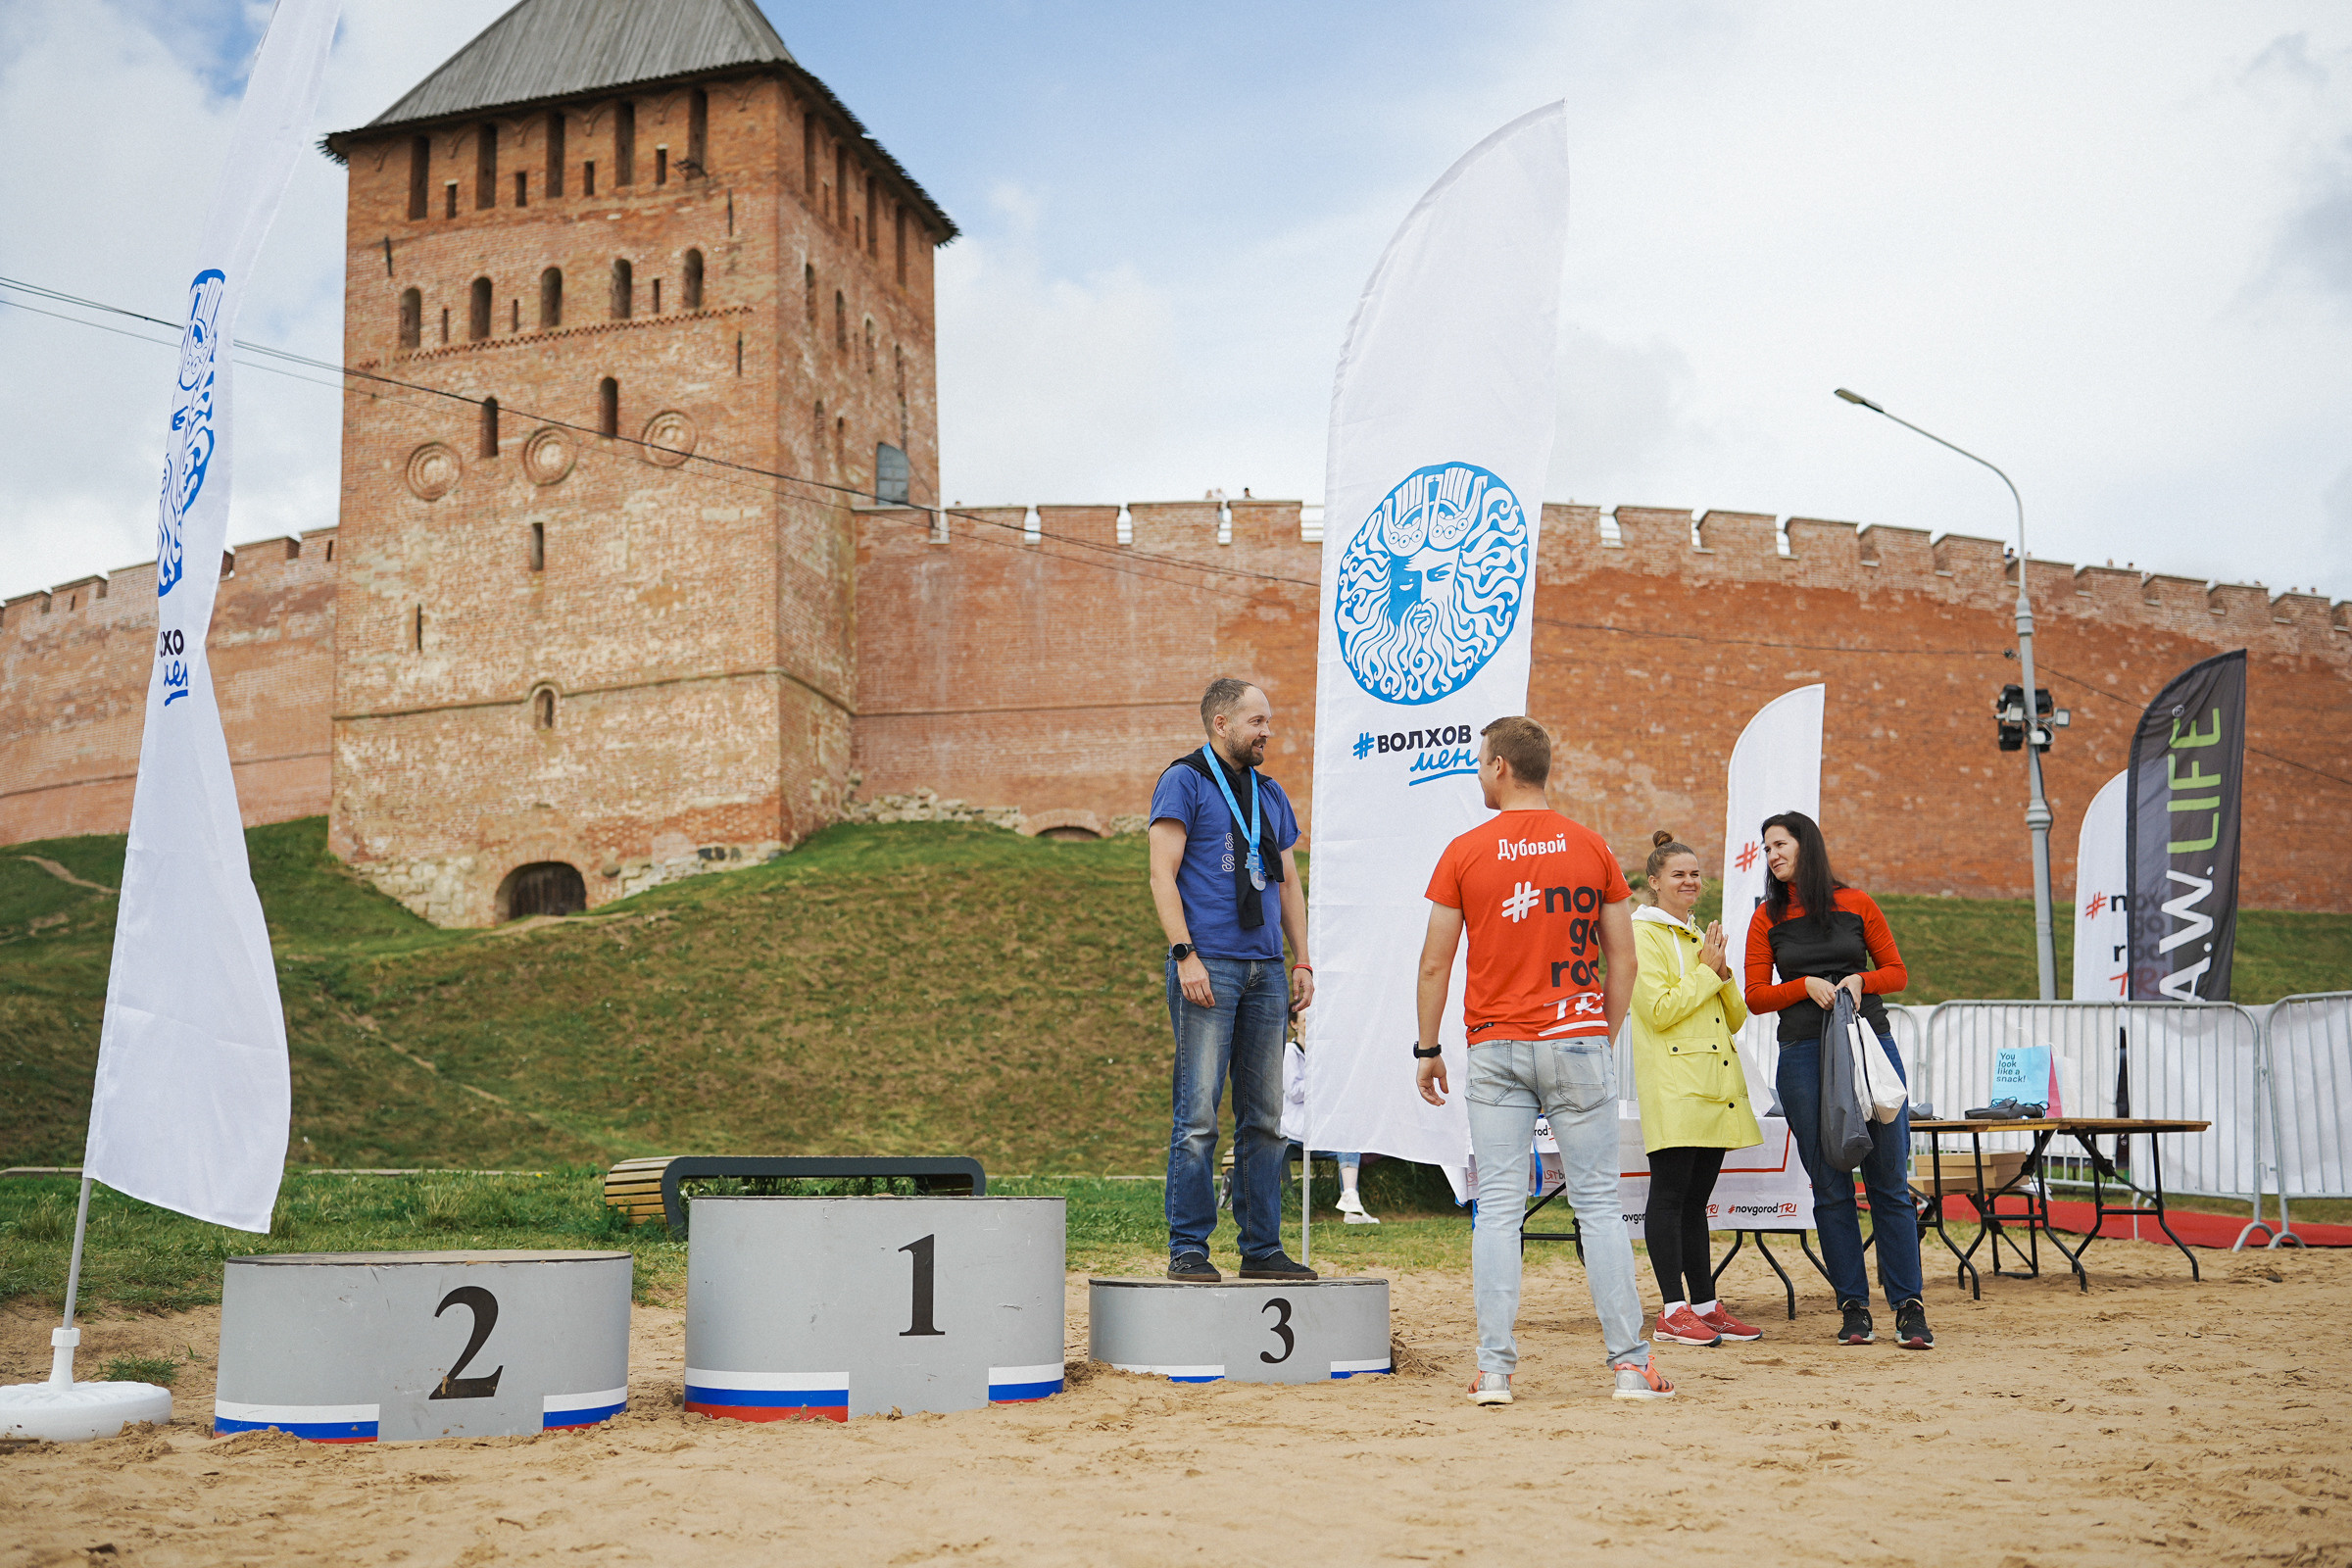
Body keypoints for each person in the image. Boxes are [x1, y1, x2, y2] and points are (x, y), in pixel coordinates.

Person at [1414, 716, 1674, 1406]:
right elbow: (1625, 958)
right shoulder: (1592, 848)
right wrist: (1600, 1032)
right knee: (1598, 1206)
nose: (1478, 772)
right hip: (1577, 1036)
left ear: (1500, 766)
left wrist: (1428, 1045)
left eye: (1479, 762)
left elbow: (1436, 960)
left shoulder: (1465, 851)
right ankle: (1629, 1366)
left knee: (1498, 1208)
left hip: (1496, 1044)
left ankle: (1494, 1370)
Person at [1741, 809, 1933, 1349]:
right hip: (1802, 1055)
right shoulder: (1766, 918)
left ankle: (1909, 1307)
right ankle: (1853, 1305)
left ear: (1806, 845)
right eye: (1767, 849)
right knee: (1829, 1187)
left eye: (1780, 845)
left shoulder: (1857, 903)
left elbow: (1896, 972)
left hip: (1870, 1049)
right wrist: (1803, 985)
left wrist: (1857, 979)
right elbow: (1755, 996)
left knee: (1889, 1183)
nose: (1773, 855)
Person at [1148, 677, 1316, 1283]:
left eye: (1267, 721)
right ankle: (1189, 1248)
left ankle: (1262, 1249)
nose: (1267, 731)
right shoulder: (1185, 780)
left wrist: (1301, 959)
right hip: (1209, 964)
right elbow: (1162, 876)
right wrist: (1184, 953)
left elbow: (1288, 883)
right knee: (1197, 1118)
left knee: (1266, 1119)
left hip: (1267, 970)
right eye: (1257, 721)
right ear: (1221, 722)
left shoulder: (1271, 795)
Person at [1628, 829, 1763, 1348]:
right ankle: (1671, 1310)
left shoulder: (1696, 939)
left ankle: (1705, 1305)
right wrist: (1708, 972)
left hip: (1713, 1085)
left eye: (1695, 873)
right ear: (1654, 882)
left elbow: (1733, 1019)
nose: (1690, 881)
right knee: (1669, 1196)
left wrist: (1722, 973)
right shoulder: (1644, 934)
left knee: (1695, 1200)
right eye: (1678, 874)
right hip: (1675, 1085)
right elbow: (1658, 1011)